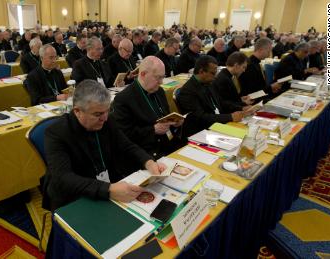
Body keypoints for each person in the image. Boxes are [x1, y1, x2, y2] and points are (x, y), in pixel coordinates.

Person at [43, 79, 166, 210]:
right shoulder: (56, 133)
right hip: (75, 197)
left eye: (107, 111)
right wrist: (108, 189)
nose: (105, 118)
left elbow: (127, 145)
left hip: (109, 184)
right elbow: (64, 178)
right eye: (98, 114)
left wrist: (148, 162)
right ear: (77, 111)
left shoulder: (107, 120)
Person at [111, 56, 183, 162]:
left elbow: (165, 117)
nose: (161, 82)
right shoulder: (123, 99)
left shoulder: (160, 92)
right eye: (158, 77)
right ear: (143, 74)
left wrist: (174, 123)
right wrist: (153, 130)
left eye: (163, 77)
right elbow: (125, 136)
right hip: (146, 153)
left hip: (168, 144)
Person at [176, 55, 245, 137]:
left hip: (217, 125)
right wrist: (230, 117)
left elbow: (221, 102)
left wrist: (241, 107)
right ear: (201, 71)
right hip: (202, 132)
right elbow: (201, 118)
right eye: (212, 73)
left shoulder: (209, 82)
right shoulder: (187, 92)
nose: (215, 76)